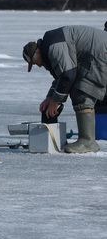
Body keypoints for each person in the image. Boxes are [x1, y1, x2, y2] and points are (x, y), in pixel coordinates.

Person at [23, 25, 107, 153]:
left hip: (101, 53)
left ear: (37, 52)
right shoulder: (51, 44)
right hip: (98, 52)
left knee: (82, 92)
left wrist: (56, 102)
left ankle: (87, 141)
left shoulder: (53, 47)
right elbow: (61, 76)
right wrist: (49, 98)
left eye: (34, 62)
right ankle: (87, 140)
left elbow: (68, 75)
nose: (38, 66)